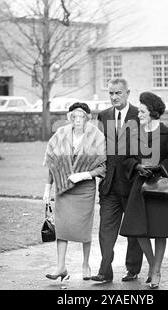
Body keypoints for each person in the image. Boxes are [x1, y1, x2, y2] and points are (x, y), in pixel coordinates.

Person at [119, 91, 168, 289]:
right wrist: (137, 167)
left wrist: (158, 168)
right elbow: (125, 158)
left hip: (161, 187)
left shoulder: (167, 134)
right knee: (137, 230)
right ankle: (154, 264)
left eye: (142, 111)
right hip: (140, 186)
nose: (138, 114)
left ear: (152, 112)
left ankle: (155, 271)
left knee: (160, 231)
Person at [42, 102, 106, 281]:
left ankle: (86, 264)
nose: (77, 120)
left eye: (81, 117)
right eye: (74, 117)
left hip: (84, 189)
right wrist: (48, 187)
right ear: (70, 118)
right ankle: (61, 266)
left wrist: (85, 175)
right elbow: (53, 164)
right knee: (62, 228)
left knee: (84, 228)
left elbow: (102, 167)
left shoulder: (96, 136)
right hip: (63, 187)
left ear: (87, 118)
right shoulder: (61, 134)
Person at [91, 78, 143, 283]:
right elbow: (99, 148)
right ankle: (105, 270)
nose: (114, 97)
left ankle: (132, 269)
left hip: (132, 183)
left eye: (118, 93)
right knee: (106, 229)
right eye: (111, 93)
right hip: (109, 184)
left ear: (127, 93)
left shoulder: (139, 115)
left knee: (133, 230)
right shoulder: (103, 116)